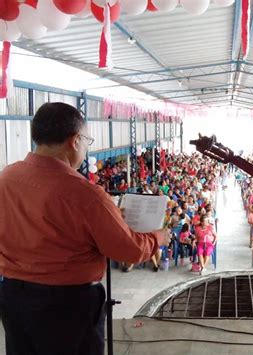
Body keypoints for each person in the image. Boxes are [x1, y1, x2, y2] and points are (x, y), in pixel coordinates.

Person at [0, 102, 170, 355]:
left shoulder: (6, 178)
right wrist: (158, 237)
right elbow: (130, 250)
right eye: (87, 140)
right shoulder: (84, 193)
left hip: (13, 297)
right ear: (75, 140)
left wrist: (108, 217)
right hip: (66, 305)